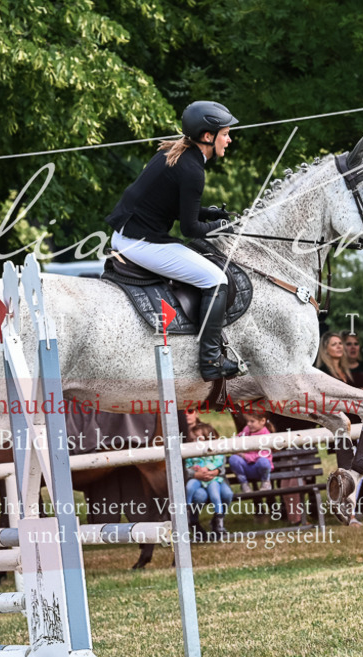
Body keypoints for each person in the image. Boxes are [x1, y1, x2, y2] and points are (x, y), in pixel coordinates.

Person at [105, 100, 241, 381]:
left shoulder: (177, 154)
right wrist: (221, 226)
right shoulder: (193, 170)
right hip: (141, 242)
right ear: (207, 136)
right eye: (225, 133)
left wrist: (211, 213)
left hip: (128, 234)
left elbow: (176, 207)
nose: (229, 139)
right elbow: (190, 228)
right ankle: (211, 361)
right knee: (217, 280)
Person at [317, 331, 363, 524]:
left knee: (360, 468)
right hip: (340, 426)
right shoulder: (323, 373)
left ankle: (353, 510)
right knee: (347, 468)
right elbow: (325, 401)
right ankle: (350, 514)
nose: (340, 347)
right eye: (334, 344)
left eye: (340, 344)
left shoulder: (347, 372)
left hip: (357, 426)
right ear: (325, 349)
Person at [184, 422, 234, 540]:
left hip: (215, 479)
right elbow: (185, 466)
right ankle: (190, 518)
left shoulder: (215, 448)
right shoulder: (190, 450)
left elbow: (220, 463)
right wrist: (195, 473)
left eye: (198, 438)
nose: (195, 441)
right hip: (196, 480)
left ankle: (218, 522)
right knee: (198, 495)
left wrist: (212, 471)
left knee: (227, 494)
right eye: (193, 439)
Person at [228, 413, 274, 493]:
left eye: (252, 421)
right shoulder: (246, 430)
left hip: (259, 469)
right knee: (233, 459)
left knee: (264, 461)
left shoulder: (266, 435)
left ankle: (265, 481)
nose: (249, 424)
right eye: (247, 421)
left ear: (262, 421)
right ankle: (244, 483)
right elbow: (237, 439)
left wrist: (243, 455)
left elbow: (263, 454)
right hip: (246, 468)